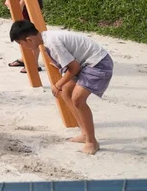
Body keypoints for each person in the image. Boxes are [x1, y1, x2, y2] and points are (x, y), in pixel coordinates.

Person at [10, 20, 113, 155]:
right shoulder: (46, 40)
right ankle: (84, 133)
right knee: (65, 92)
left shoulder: (52, 43)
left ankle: (92, 141)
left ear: (29, 40)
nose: (24, 48)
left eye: (21, 44)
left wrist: (58, 83)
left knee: (78, 99)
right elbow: (70, 62)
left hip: (98, 64)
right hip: (85, 64)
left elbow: (74, 67)